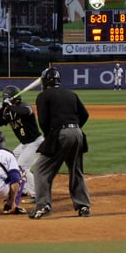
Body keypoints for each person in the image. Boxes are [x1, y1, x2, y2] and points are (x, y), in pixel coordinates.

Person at [30, 66, 91, 219]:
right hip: (77, 133)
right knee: (76, 170)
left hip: (59, 134)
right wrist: (73, 127)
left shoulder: (43, 96)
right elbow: (85, 115)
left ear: (45, 81)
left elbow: (43, 122)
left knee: (41, 171)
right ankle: (83, 206)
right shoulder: (71, 94)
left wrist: (53, 136)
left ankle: (43, 205)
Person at [0, 85, 43, 200]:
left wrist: (9, 106)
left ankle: (37, 194)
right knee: (12, 162)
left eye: (5, 98)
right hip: (24, 144)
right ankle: (24, 189)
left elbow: (27, 111)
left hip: (35, 143)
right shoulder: (9, 109)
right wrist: (0, 110)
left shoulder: (24, 106)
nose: (3, 100)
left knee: (22, 168)